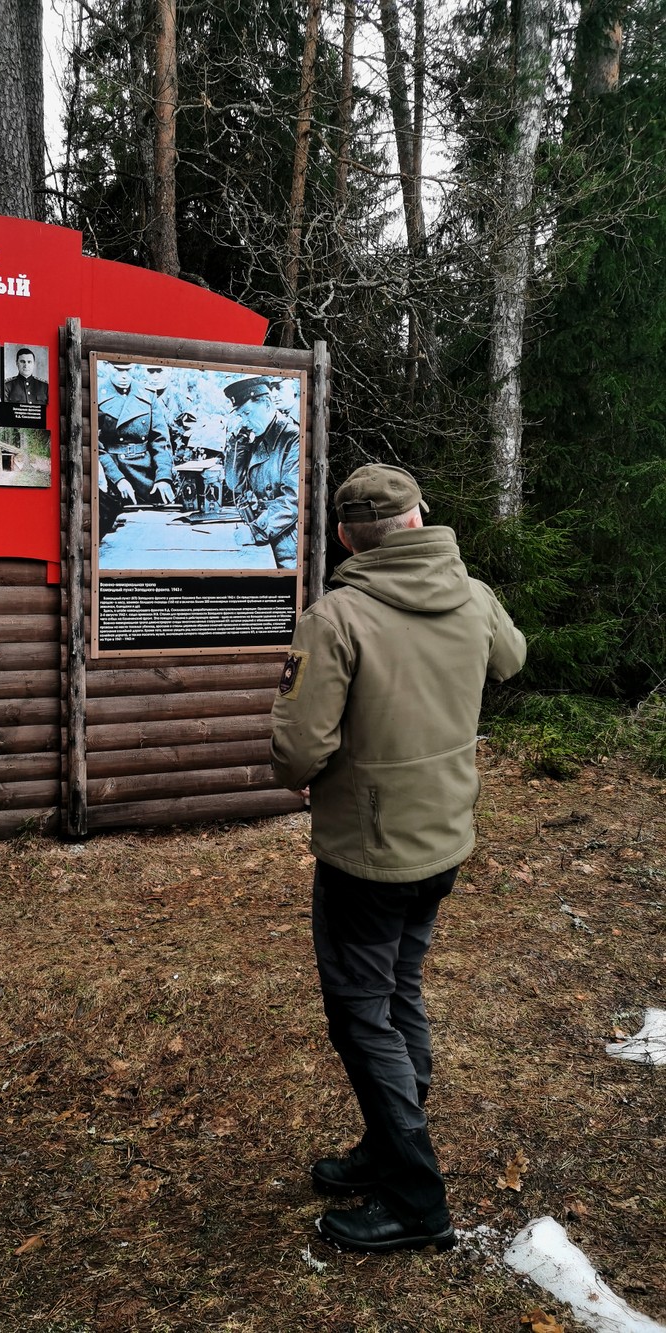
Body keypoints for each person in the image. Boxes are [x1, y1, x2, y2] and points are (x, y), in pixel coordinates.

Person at [270, 464, 527, 1255]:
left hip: (367, 854)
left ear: (349, 538)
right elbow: (511, 659)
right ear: (419, 520)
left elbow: (296, 750)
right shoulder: (472, 594)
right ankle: (389, 1143)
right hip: (442, 837)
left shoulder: (336, 616)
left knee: (362, 1011)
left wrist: (311, 766)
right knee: (398, 988)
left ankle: (417, 1201)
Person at [223, 376, 299, 568]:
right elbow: (235, 484)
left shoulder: (293, 438)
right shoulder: (255, 438)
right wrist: (237, 445)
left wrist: (255, 531)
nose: (244, 421)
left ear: (266, 404)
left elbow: (293, 499)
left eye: (247, 413)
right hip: (262, 535)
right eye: (240, 416)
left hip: (287, 545)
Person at [97, 362, 175, 509]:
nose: (124, 376)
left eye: (128, 370)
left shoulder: (147, 394)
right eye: (118, 369)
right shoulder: (97, 394)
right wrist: (118, 479)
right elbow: (95, 447)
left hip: (145, 472)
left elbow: (160, 441)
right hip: (113, 471)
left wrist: (163, 477)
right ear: (107, 366)